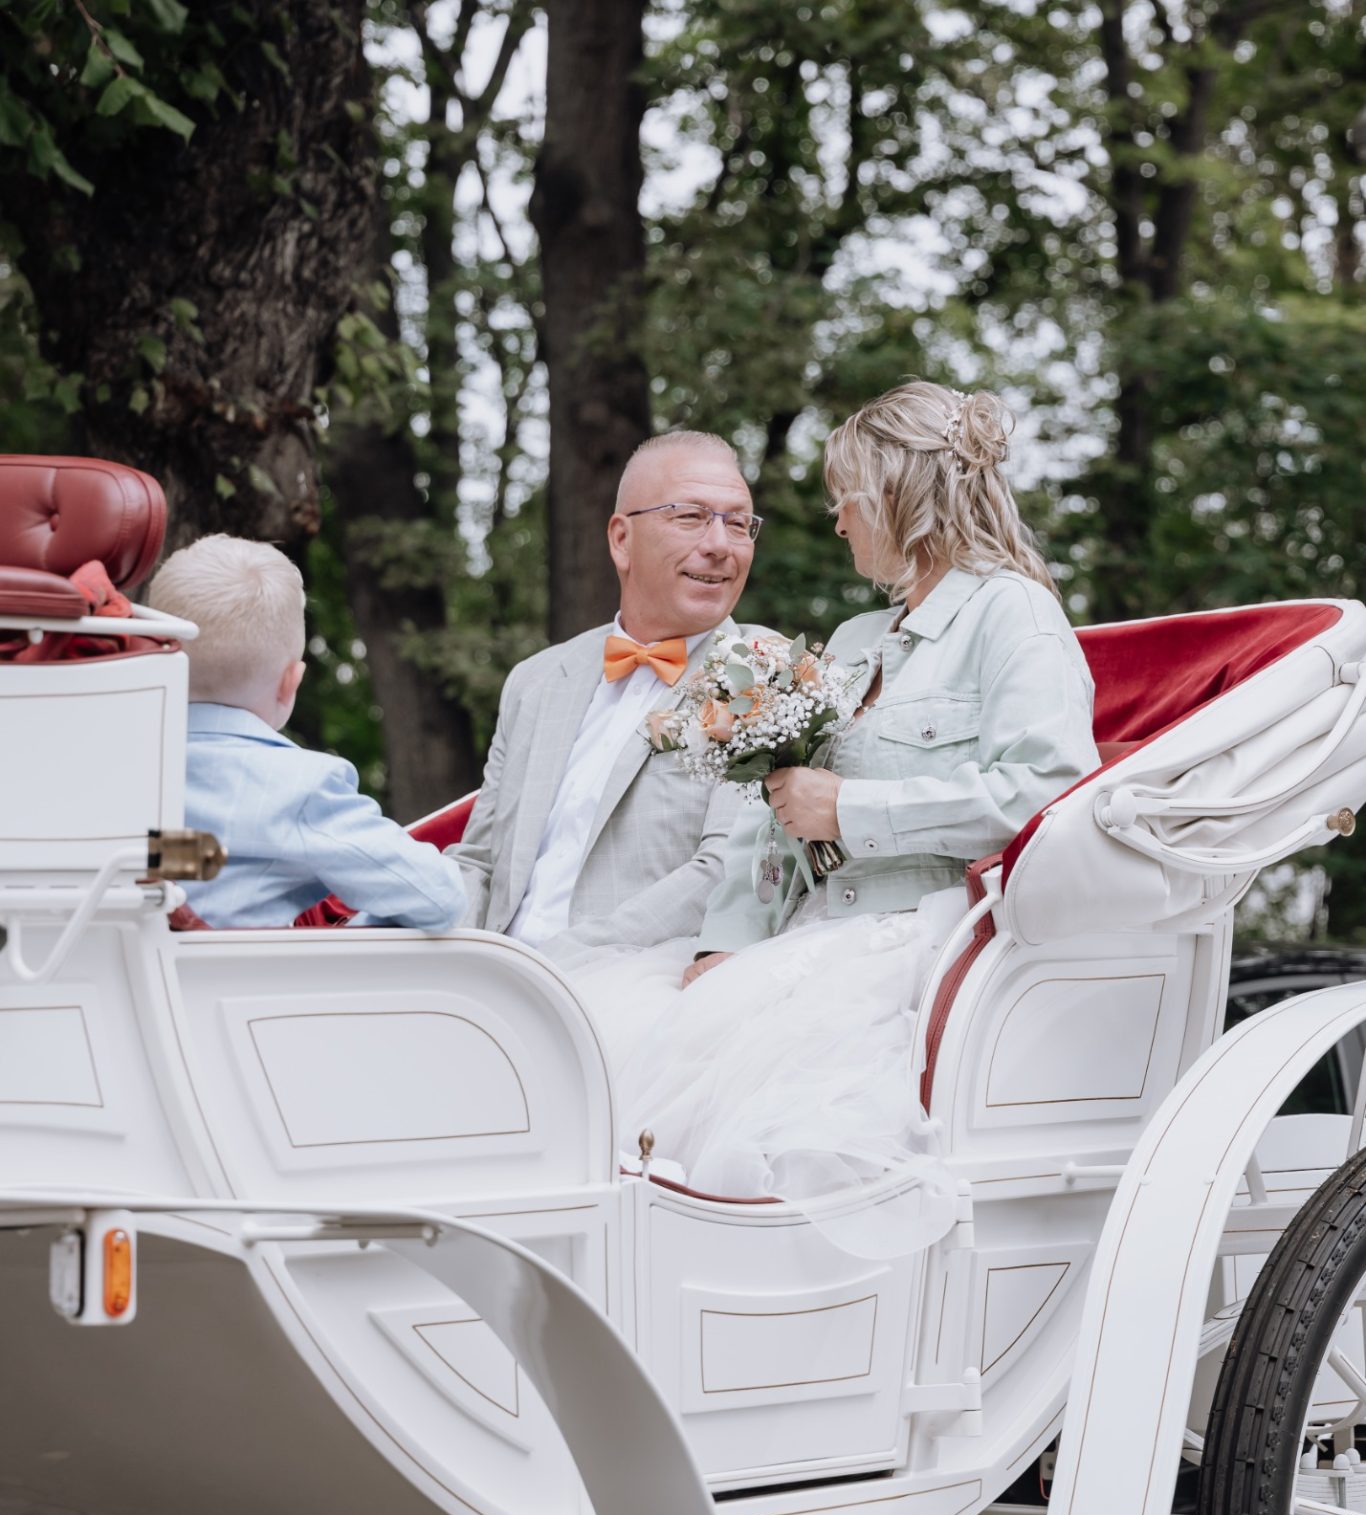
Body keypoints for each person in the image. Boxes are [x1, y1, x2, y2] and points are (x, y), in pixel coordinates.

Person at [579, 379, 1101, 1203]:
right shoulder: (858, 639)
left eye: (845, 499)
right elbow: (771, 811)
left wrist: (851, 811)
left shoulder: (1015, 614)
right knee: (607, 1034)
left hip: (919, 941)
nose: (838, 522)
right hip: (808, 933)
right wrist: (726, 940)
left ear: (893, 495)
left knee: (747, 1117)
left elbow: (1050, 792)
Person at [444, 431, 778, 965]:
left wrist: (544, 968)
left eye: (738, 523)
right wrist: (447, 963)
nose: (720, 544)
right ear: (622, 539)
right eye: (691, 516)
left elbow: (726, 867)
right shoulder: (536, 680)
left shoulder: (763, 671)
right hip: (489, 977)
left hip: (637, 977)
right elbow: (480, 860)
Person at [148, 535, 467, 931]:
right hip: (230, 973)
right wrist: (350, 932)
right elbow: (440, 898)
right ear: (289, 683)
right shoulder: (300, 789)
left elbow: (163, 857)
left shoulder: (99, 768)